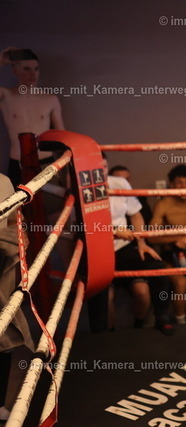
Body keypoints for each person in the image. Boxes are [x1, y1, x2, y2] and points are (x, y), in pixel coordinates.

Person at [106, 159, 175, 336]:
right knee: (106, 298)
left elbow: (136, 215)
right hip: (100, 253)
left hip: (124, 248)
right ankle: (107, 337)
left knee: (157, 269)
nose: (101, 170)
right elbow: (80, 226)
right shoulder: (84, 188)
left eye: (104, 166)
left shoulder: (120, 185)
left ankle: (161, 317)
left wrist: (141, 243)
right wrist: (113, 231)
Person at [149, 164, 186, 324]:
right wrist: (177, 239)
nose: (184, 186)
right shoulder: (163, 204)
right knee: (181, 284)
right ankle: (181, 323)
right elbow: (151, 237)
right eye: (179, 182)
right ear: (171, 184)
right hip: (170, 255)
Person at [0, 48, 64, 186]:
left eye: (36, 69)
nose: (32, 74)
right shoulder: (6, 96)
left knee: (50, 199)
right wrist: (1, 62)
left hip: (45, 163)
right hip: (18, 163)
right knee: (17, 199)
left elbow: (62, 137)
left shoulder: (50, 99)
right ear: (15, 71)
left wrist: (69, 170)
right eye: (26, 69)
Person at [0, 173, 35, 421]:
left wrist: (19, 235)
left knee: (5, 332)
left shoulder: (3, 181)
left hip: (1, 262)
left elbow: (14, 218)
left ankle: (0, 403)